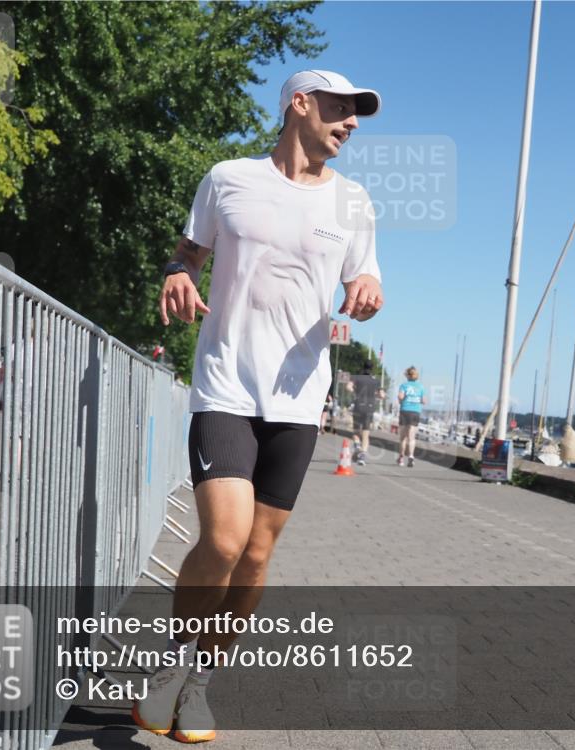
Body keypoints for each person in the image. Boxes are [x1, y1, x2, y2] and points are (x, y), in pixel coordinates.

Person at [137, 69, 383, 743]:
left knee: (255, 554)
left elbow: (367, 275)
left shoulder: (355, 203)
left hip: (300, 399)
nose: (352, 121)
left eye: (357, 113)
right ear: (298, 105)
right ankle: (171, 666)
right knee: (222, 537)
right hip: (225, 384)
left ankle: (201, 687)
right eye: (339, 107)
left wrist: (364, 286)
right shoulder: (227, 179)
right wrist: (179, 274)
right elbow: (188, 250)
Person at [350, 360, 381, 465]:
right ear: (372, 368)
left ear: (363, 367)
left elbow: (348, 387)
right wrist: (375, 395)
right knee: (366, 433)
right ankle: (362, 456)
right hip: (370, 408)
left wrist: (355, 391)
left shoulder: (357, 377)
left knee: (356, 431)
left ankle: (357, 446)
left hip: (358, 406)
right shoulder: (375, 380)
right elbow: (381, 394)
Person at [396, 366, 425, 467]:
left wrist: (400, 400)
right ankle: (411, 456)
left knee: (403, 437)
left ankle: (401, 458)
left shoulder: (404, 385)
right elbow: (424, 401)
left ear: (407, 375)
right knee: (411, 437)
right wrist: (417, 399)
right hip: (415, 412)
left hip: (405, 411)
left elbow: (400, 397)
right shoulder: (421, 387)